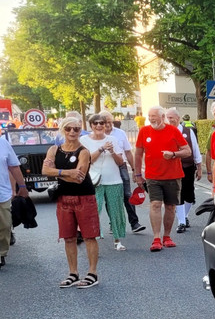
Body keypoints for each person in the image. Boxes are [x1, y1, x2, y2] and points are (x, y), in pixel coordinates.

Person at [43, 120, 100, 287]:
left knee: (89, 236)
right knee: (68, 237)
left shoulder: (84, 152)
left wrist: (56, 173)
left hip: (84, 197)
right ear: (63, 130)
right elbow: (45, 171)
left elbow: (80, 177)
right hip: (63, 198)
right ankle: (73, 273)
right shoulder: (54, 150)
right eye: (68, 128)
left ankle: (92, 273)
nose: (72, 132)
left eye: (76, 129)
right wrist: (67, 172)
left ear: (80, 131)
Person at [134, 105, 191, 252]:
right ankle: (156, 238)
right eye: (149, 116)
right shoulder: (144, 131)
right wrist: (138, 174)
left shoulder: (173, 131)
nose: (151, 118)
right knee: (155, 204)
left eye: (154, 116)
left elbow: (187, 151)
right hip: (153, 176)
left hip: (173, 176)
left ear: (162, 117)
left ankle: (167, 236)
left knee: (171, 206)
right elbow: (138, 154)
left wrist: (173, 154)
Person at [83, 113, 128, 251]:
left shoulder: (112, 139)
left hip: (114, 180)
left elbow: (121, 162)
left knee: (116, 211)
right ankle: (93, 240)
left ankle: (117, 240)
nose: (99, 126)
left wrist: (112, 151)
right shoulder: (84, 140)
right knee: (93, 211)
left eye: (101, 123)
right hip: (94, 182)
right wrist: (101, 148)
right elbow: (87, 160)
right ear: (91, 125)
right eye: (95, 123)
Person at [0, 131, 28, 273]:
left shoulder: (3, 143)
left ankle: (1, 253)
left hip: (1, 193)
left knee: (5, 225)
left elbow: (13, 166)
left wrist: (22, 186)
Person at [166, 108, 202, 233]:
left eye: (172, 117)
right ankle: (181, 222)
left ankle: (185, 216)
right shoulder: (165, 131)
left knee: (190, 196)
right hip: (172, 167)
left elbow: (195, 148)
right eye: (168, 117)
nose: (170, 120)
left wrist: (199, 166)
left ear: (178, 118)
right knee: (178, 194)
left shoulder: (188, 131)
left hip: (188, 166)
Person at [110, 117, 145, 233]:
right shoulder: (97, 135)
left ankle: (134, 223)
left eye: (109, 121)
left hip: (122, 166)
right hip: (107, 168)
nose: (106, 124)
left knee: (127, 194)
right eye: (102, 121)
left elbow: (128, 152)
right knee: (111, 197)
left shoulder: (120, 133)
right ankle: (113, 223)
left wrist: (135, 170)